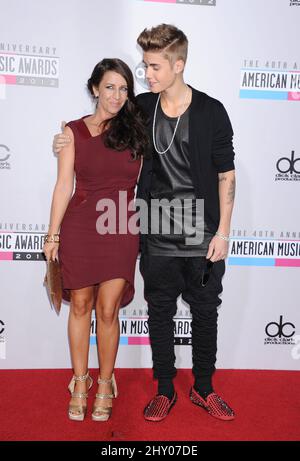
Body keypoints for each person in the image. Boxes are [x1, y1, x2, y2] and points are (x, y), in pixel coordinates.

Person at [53, 24, 236, 423]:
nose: (146, 75)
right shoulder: (142, 110)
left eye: (153, 67)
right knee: (160, 312)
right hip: (153, 228)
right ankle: (165, 390)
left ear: (177, 65)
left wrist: (223, 231)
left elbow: (227, 174)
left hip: (202, 231)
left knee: (205, 312)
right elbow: (99, 126)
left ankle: (204, 388)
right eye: (145, 66)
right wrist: (64, 139)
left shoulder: (211, 111)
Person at [44, 58, 148, 422]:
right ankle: (79, 380)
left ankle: (106, 381)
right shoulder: (72, 131)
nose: (117, 95)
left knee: (108, 310)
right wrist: (52, 234)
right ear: (94, 89)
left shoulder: (137, 128)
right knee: (80, 306)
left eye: (123, 88)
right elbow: (63, 186)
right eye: (109, 87)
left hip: (120, 224)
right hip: (81, 225)